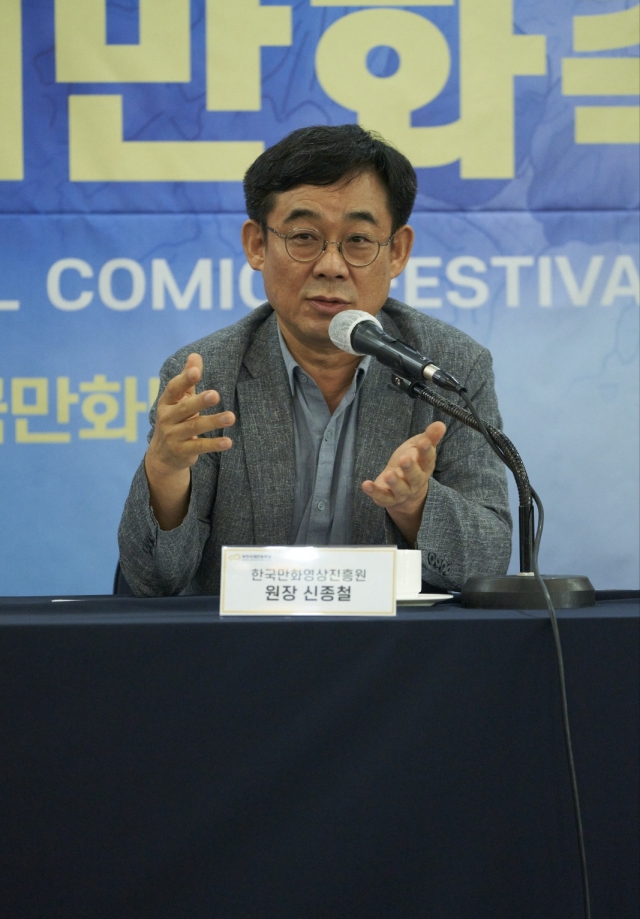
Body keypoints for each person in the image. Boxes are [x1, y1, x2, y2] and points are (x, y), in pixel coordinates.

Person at [118, 125, 511, 596]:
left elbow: (489, 563)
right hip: (243, 656)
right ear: (257, 245)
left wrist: (416, 505)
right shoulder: (206, 374)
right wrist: (163, 472)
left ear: (398, 252)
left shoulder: (450, 367)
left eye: (359, 241)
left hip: (396, 657)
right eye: (304, 237)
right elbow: (152, 582)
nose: (331, 265)